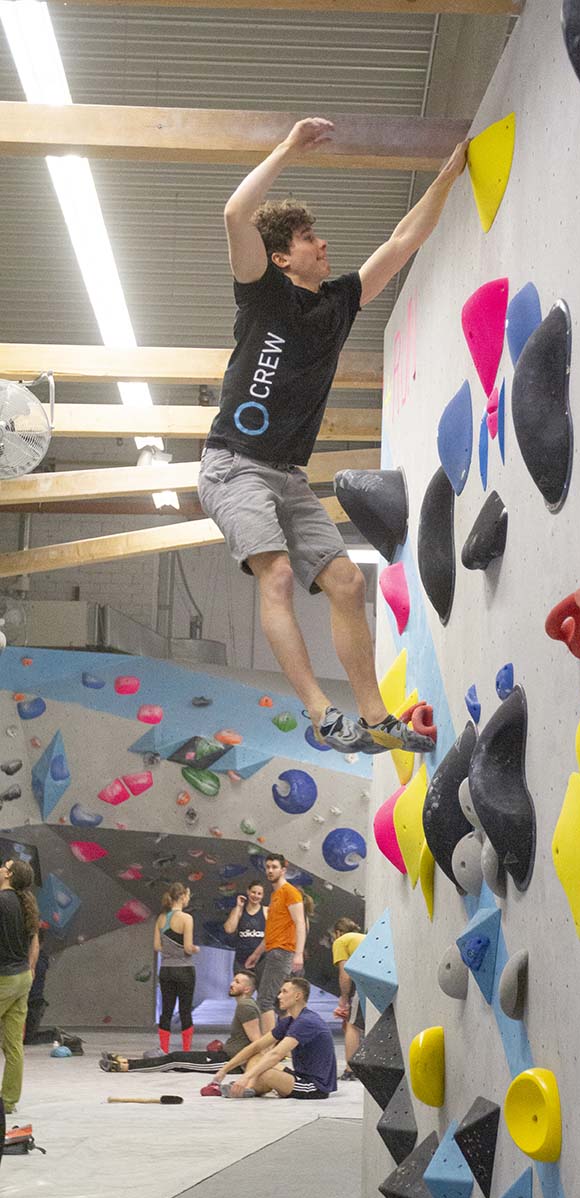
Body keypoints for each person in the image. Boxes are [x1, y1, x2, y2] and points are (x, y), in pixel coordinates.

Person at [197, 114, 468, 756]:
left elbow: (403, 241)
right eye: (310, 238)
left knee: (346, 582)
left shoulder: (340, 302)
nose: (324, 244)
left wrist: (449, 174)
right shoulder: (262, 295)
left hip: (287, 473)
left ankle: (373, 719)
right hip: (232, 466)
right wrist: (288, 148)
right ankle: (323, 714)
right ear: (282, 255)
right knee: (279, 577)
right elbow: (236, 214)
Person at [99, 970, 261, 1075]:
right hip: (224, 1056)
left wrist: (251, 1068)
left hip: (228, 1062)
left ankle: (125, 1066)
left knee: (175, 1059)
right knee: (175, 1058)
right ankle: (126, 1061)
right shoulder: (244, 1005)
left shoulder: (246, 1006)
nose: (232, 984)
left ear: (247, 989)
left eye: (238, 982)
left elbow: (257, 1041)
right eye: (233, 980)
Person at [210, 976, 336, 1100]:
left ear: (297, 996)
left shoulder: (306, 1021)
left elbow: (276, 1054)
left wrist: (246, 1077)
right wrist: (224, 1070)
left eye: (284, 992)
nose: (279, 996)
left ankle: (248, 1087)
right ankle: (250, 1088)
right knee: (255, 1059)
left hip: (314, 1087)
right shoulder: (289, 1021)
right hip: (298, 1077)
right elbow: (257, 1046)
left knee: (265, 1073)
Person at [243, 855, 304, 1033]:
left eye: (274, 867)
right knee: (282, 1003)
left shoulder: (290, 892)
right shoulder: (275, 894)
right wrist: (256, 954)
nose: (270, 870)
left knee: (265, 1001)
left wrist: (298, 954)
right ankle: (284, 1044)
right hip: (274, 950)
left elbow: (300, 922)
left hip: (283, 951)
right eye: (268, 867)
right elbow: (272, 930)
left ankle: (269, 1047)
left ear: (283, 870)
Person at [0, 859, 39, 1115]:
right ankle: (8, 1102)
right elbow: (35, 941)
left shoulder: (2, 901)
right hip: (22, 977)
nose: (1, 866)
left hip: (3, 979)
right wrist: (31, 970)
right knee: (13, 1044)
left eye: (5, 865)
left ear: (9, 875)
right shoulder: (27, 905)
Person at [153, 883, 199, 1054]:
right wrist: (195, 949)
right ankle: (186, 1051)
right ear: (183, 897)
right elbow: (188, 948)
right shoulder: (187, 919)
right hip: (184, 969)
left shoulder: (161, 918)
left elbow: (157, 946)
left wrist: (170, 950)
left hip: (166, 970)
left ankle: (163, 1050)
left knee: (166, 1010)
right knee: (185, 1010)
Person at [330, 917, 365, 1079]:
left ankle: (351, 1070)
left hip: (366, 981)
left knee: (351, 1025)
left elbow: (345, 975)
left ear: (338, 932)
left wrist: (344, 999)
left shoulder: (341, 941)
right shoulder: (362, 938)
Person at [223, 882, 267, 979]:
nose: (256, 896)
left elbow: (273, 935)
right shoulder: (238, 911)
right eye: (253, 892)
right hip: (241, 960)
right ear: (248, 892)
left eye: (259, 894)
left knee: (263, 991)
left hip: (262, 960)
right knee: (241, 991)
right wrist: (238, 907)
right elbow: (229, 929)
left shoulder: (267, 911)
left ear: (263, 896)